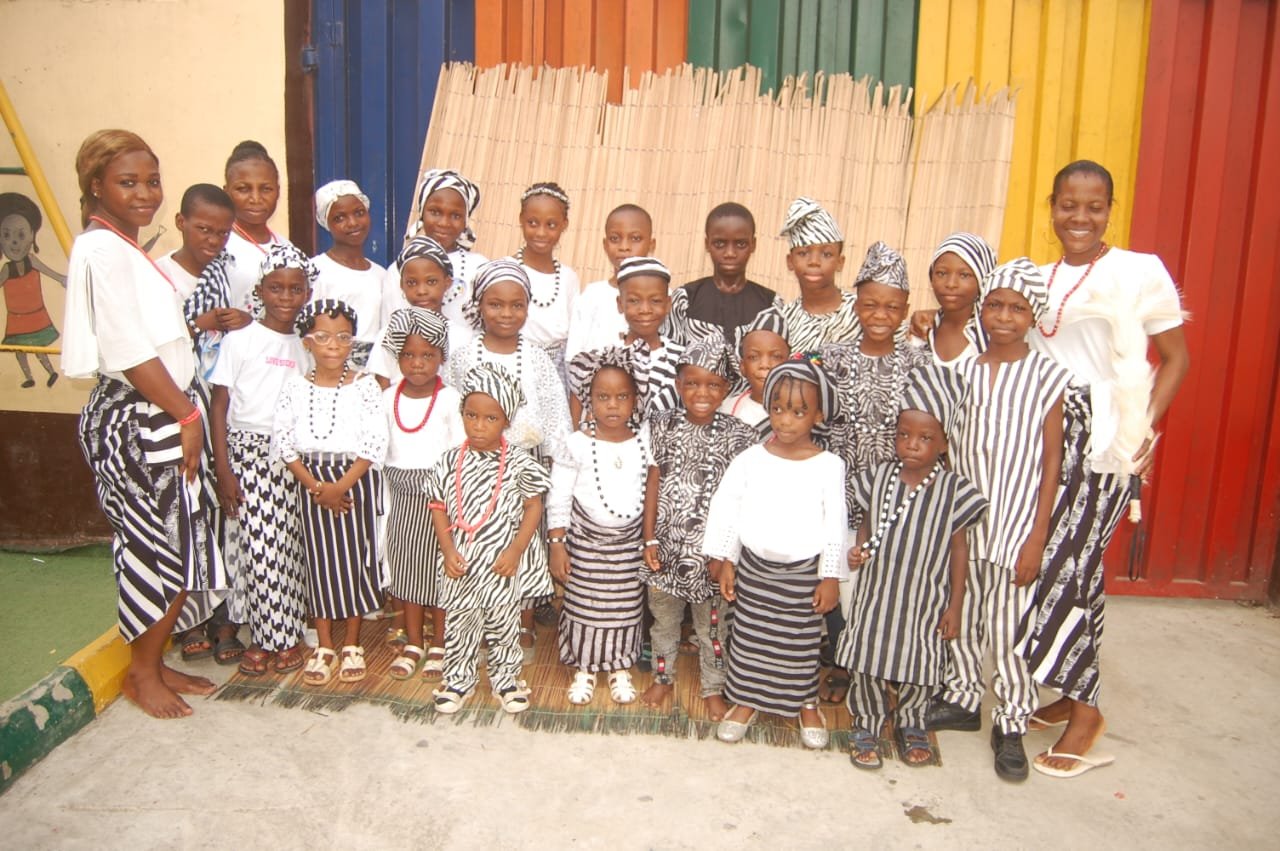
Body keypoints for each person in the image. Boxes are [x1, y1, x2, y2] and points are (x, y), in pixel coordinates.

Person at [1022, 160, 1189, 778]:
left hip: (1104, 439)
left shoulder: (1138, 271)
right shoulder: (1039, 278)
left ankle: (1087, 709)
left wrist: (1138, 426)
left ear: (1110, 209)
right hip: (1045, 436)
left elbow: (1175, 358)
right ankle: (1068, 686)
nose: (1080, 218)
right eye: (1069, 205)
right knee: (1075, 567)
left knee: (1067, 564)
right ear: (1052, 207)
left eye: (1094, 206)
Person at [62, 129, 225, 718]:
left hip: (166, 410)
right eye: (127, 182)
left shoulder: (125, 247)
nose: (144, 193)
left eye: (151, 180)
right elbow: (130, 350)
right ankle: (139, 673)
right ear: (96, 186)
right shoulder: (102, 250)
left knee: (176, 544)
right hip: (144, 416)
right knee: (151, 547)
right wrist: (184, 414)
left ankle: (154, 662)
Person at [925, 258, 1071, 783]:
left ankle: (1010, 720)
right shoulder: (964, 370)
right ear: (981, 308)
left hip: (1015, 529)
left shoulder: (1048, 376)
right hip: (965, 525)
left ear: (1034, 316)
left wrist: (1038, 536)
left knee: (1009, 629)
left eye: (1017, 308)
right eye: (995, 305)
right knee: (958, 614)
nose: (1003, 317)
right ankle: (963, 697)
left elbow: (1052, 462)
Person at [840, 365, 988, 769]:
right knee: (866, 658)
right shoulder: (879, 476)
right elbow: (868, 524)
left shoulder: (955, 490)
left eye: (925, 438)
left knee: (920, 661)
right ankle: (867, 722)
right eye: (903, 435)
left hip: (925, 597)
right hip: (877, 593)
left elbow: (960, 551)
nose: (911, 445)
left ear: (943, 444)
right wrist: (859, 550)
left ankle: (911, 722)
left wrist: (955, 607)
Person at [706, 355, 846, 748]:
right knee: (750, 636)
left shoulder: (829, 465)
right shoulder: (750, 460)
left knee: (798, 643)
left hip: (803, 573)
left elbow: (835, 522)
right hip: (754, 568)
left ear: (818, 416)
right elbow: (729, 508)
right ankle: (746, 700)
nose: (786, 420)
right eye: (779, 409)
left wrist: (830, 576)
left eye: (799, 411)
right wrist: (727, 559)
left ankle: (805, 702)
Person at [815, 241, 931, 705]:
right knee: (841, 582)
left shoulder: (917, 361)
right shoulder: (832, 356)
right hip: (841, 495)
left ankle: (882, 666)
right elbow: (816, 424)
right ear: (855, 302)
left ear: (904, 310)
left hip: (894, 499)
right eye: (869, 304)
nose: (880, 314)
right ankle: (844, 661)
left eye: (892, 306)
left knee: (886, 587)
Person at [447, 259, 571, 653]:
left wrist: (557, 458)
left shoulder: (536, 358)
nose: (506, 313)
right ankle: (483, 616)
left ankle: (524, 619)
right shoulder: (464, 355)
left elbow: (554, 413)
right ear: (479, 305)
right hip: (476, 462)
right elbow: (453, 406)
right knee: (481, 537)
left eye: (516, 305)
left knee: (523, 541)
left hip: (525, 461)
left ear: (527, 307)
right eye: (495, 304)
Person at [207, 244, 313, 676]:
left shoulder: (307, 344)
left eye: (295, 289)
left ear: (307, 293)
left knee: (288, 548)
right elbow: (218, 406)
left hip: (293, 457)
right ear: (260, 290)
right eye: (276, 288)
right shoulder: (240, 340)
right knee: (260, 547)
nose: (285, 297)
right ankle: (274, 638)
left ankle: (283, 632)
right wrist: (224, 470)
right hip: (247, 455)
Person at [639, 338, 758, 720]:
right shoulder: (662, 424)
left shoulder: (741, 436)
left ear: (726, 389)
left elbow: (742, 499)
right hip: (666, 552)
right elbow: (653, 482)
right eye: (691, 383)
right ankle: (663, 676)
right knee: (664, 621)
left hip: (711, 556)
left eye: (712, 385)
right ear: (678, 385)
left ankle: (712, 687)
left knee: (713, 629)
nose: (701, 392)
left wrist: (727, 556)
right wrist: (649, 538)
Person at [272, 299, 388, 686]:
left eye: (343, 337)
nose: (334, 345)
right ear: (307, 343)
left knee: (353, 560)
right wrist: (316, 487)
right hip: (311, 481)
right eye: (322, 337)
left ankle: (352, 643)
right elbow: (284, 441)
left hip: (354, 480)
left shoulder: (365, 385)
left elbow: (374, 441)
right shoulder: (294, 387)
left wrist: (339, 487)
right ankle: (324, 644)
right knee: (319, 561)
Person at [426, 363, 551, 715]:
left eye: (490, 418)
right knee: (460, 621)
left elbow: (533, 507)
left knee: (503, 621)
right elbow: (437, 505)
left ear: (507, 421)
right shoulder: (449, 461)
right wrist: (447, 548)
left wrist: (515, 550)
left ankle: (506, 679)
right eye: (471, 415)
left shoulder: (519, 463)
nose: (479, 426)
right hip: (460, 561)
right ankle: (458, 679)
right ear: (462, 414)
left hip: (500, 563)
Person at [548, 346, 652, 705]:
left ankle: (620, 667)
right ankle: (585, 668)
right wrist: (557, 543)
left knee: (624, 606)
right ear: (588, 399)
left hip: (629, 545)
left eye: (622, 396)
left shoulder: (645, 441)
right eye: (602, 396)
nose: (612, 405)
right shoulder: (576, 444)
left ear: (636, 399)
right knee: (584, 605)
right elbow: (559, 494)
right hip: (585, 543)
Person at [379, 307, 465, 680]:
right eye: (409, 355)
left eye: (428, 355)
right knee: (407, 573)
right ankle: (414, 642)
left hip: (439, 501)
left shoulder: (451, 399)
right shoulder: (386, 398)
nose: (418, 364)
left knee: (439, 574)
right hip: (400, 498)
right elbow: (379, 448)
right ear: (398, 358)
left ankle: (442, 643)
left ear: (441, 358)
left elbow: (460, 450)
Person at [569, 256, 684, 424]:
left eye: (655, 301)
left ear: (668, 304)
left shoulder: (682, 360)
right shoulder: (602, 358)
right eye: (634, 301)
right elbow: (581, 412)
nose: (645, 309)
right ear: (620, 304)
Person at [666, 202, 780, 349]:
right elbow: (670, 357)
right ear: (707, 244)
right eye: (720, 244)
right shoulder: (684, 299)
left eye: (740, 244)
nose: (730, 253)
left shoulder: (770, 304)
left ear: (753, 245)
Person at [385, 168, 487, 328]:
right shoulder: (400, 269)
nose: (444, 223)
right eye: (435, 212)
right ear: (422, 213)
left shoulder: (479, 267)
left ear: (465, 221)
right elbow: (391, 327)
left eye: (455, 215)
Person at [367, 235, 471, 390]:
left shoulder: (462, 337)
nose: (421, 291)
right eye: (412, 283)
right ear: (402, 286)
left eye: (431, 282)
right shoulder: (390, 332)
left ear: (447, 283)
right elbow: (380, 388)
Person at [310, 180, 385, 368]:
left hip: (373, 375)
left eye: (359, 213)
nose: (352, 223)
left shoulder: (382, 275)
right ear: (326, 223)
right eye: (340, 218)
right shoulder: (316, 271)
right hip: (331, 372)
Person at [564, 204, 653, 362]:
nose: (624, 247)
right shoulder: (592, 296)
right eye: (615, 239)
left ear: (651, 245)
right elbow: (573, 357)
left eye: (635, 239)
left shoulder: (663, 299)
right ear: (605, 245)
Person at [0, 191, 66, 388]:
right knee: (18, 349)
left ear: (32, 237)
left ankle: (51, 371)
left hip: (35, 315)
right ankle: (28, 377)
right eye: (6, 235)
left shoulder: (31, 260)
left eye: (21, 235)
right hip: (16, 318)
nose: (14, 242)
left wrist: (61, 278)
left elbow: (48, 271)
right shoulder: (7, 269)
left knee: (38, 347)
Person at [514, 182, 578, 381]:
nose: (541, 233)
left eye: (551, 225)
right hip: (512, 367)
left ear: (564, 224)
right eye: (533, 223)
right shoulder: (507, 270)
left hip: (554, 375)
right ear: (521, 220)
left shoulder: (568, 278)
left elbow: (573, 334)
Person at [778, 197, 859, 350]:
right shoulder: (783, 321)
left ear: (840, 262)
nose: (814, 261)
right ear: (790, 261)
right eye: (803, 253)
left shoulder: (863, 313)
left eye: (827, 254)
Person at [921, 232, 998, 365]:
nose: (951, 284)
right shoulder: (922, 329)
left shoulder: (994, 336)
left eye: (964, 275)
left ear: (982, 280)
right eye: (941, 273)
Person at [720, 309, 790, 435]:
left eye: (776, 356)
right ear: (742, 367)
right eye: (753, 357)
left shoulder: (797, 413)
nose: (764, 365)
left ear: (789, 364)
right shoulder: (727, 408)